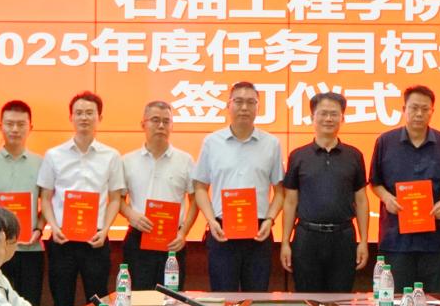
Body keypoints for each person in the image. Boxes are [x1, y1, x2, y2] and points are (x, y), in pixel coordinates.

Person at [38, 92, 125, 306]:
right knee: (61, 302)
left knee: (98, 303)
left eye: (89, 113)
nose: (84, 117)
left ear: (99, 117)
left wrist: (105, 230)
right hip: (62, 239)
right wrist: (53, 227)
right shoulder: (54, 155)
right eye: (79, 113)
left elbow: (115, 198)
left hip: (96, 239)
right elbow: (45, 197)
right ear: (71, 117)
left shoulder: (111, 156)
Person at [193, 81, 284, 292]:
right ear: (228, 105)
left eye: (251, 102)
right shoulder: (211, 142)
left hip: (259, 232)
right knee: (224, 299)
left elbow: (280, 191)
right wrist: (210, 220)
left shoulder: (271, 144)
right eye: (239, 101)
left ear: (258, 108)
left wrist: (270, 220)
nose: (244, 107)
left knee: (257, 299)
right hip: (221, 231)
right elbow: (200, 187)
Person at [369, 85, 440, 293]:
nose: (419, 114)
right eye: (414, 108)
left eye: (425, 109)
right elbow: (375, 182)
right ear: (404, 109)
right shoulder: (385, 141)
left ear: (432, 111)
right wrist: (387, 198)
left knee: (434, 300)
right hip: (396, 237)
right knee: (396, 298)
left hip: (434, 239)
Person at [281, 92, 370, 292]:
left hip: (343, 237)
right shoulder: (298, 156)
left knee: (340, 298)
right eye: (323, 113)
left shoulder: (354, 155)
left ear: (342, 118)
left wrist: (364, 241)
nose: (328, 119)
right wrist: (285, 242)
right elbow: (290, 202)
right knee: (307, 299)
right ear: (312, 117)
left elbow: (361, 200)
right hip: (307, 237)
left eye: (334, 114)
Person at [120, 101, 198, 290]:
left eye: (166, 121)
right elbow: (117, 200)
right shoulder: (127, 161)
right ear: (143, 124)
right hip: (139, 238)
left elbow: (195, 201)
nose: (161, 126)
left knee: (172, 299)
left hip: (173, 240)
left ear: (172, 125)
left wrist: (183, 233)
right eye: (155, 120)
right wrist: (131, 215)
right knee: (138, 297)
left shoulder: (185, 160)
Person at [0, 100, 45, 306]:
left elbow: (48, 202)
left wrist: (39, 228)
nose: (15, 129)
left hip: (30, 249)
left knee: (30, 304)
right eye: (9, 124)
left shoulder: (42, 163)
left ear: (30, 127)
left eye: (21, 124)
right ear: (0, 126)